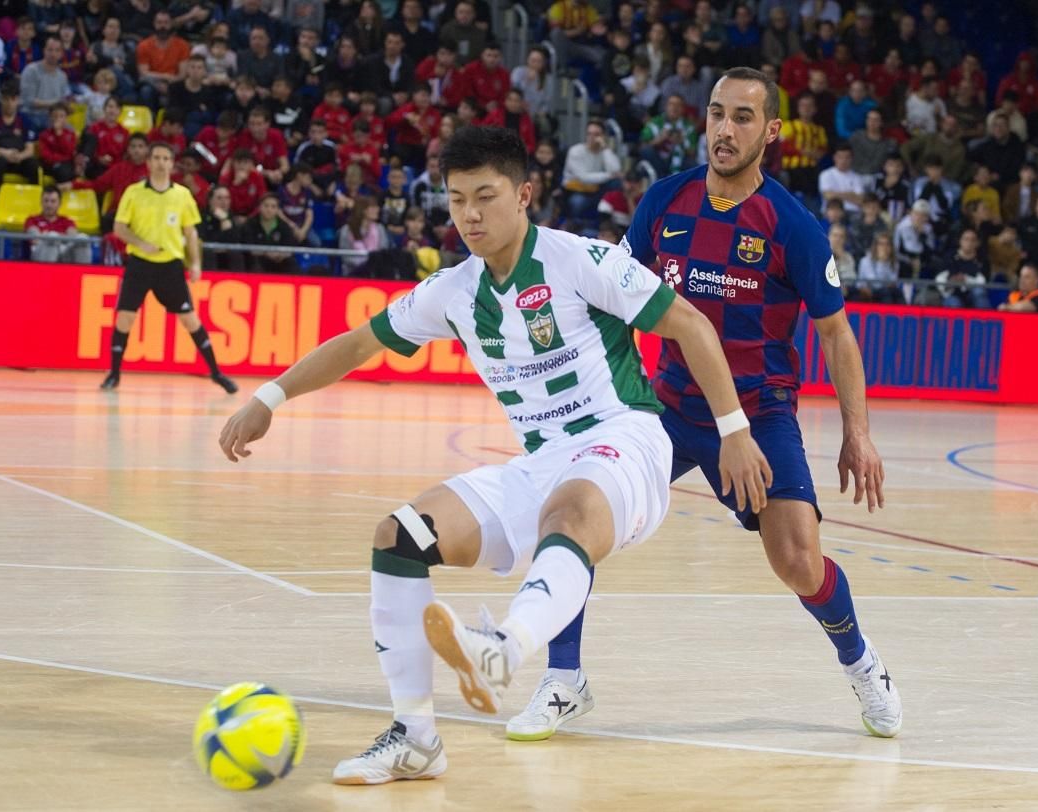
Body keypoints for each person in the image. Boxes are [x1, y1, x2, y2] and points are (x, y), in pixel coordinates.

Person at [217, 124, 770, 785]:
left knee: (567, 516)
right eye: (456, 201)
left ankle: (504, 650)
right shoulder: (454, 292)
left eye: (485, 196)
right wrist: (270, 397)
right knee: (398, 536)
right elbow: (359, 342)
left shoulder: (580, 260)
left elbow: (690, 323)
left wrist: (734, 429)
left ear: (525, 194)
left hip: (625, 439)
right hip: (539, 462)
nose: (470, 215)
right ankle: (414, 738)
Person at [509, 67, 902, 744]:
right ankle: (564, 680)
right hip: (668, 409)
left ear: (772, 131)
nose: (724, 129)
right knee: (574, 513)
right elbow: (615, 297)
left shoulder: (792, 227)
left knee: (797, 561)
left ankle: (862, 664)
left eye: (743, 118)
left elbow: (836, 333)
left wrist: (857, 434)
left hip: (759, 417)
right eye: (717, 113)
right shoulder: (665, 201)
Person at [101, 142, 237, 393]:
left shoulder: (182, 195)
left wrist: (195, 263)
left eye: (166, 158)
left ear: (172, 164)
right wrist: (142, 244)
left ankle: (217, 373)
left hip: (170, 267)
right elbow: (120, 228)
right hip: (140, 264)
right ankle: (114, 374)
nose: (161, 162)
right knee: (125, 318)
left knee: (190, 320)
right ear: (149, 163)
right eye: (157, 158)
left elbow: (190, 231)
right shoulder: (134, 192)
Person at [25, 185, 87, 263]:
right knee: (52, 236)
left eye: (53, 201)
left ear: (59, 203)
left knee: (83, 238)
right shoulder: (32, 220)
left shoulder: (67, 221)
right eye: (46, 201)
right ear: (41, 202)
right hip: (41, 255)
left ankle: (82, 273)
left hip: (63, 254)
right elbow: (36, 239)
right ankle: (48, 274)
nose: (49, 205)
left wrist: (46, 235)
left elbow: (72, 238)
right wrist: (57, 236)